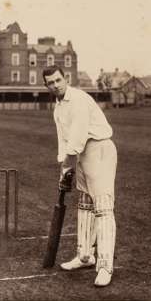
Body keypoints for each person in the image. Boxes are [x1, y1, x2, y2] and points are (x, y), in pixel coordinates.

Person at [43, 66, 117, 286]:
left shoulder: (78, 100)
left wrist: (68, 163)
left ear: (65, 79)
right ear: (46, 85)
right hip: (82, 153)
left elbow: (76, 136)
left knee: (102, 206)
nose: (55, 85)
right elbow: (63, 140)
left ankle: (105, 266)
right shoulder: (58, 108)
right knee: (85, 204)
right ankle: (85, 256)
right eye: (50, 82)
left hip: (99, 149)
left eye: (58, 80)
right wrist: (63, 168)